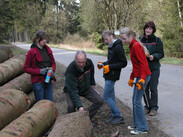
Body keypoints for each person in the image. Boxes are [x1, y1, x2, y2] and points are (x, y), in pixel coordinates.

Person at [120, 27, 151, 135]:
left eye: (124, 39)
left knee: (137, 102)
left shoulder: (136, 46)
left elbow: (143, 64)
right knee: (134, 100)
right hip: (139, 75)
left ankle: (142, 127)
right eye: (122, 39)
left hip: (144, 76)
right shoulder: (132, 45)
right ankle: (136, 124)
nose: (123, 41)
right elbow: (136, 65)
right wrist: (132, 77)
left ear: (131, 36)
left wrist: (142, 78)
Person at [63, 50, 103, 122]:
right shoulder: (70, 70)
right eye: (79, 62)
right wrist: (79, 106)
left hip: (85, 87)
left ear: (85, 60)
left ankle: (86, 118)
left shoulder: (89, 63)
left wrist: (93, 85)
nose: (81, 64)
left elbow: (91, 75)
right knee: (71, 106)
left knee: (99, 101)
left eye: (83, 62)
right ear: (75, 60)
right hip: (71, 89)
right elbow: (73, 90)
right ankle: (72, 122)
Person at [97, 30, 127, 125]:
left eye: (106, 39)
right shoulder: (111, 47)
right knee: (111, 96)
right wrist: (103, 64)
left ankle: (118, 115)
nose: (106, 41)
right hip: (108, 74)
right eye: (105, 40)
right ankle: (114, 116)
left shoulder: (118, 47)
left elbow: (124, 63)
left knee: (105, 96)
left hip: (112, 75)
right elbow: (111, 61)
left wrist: (110, 67)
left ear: (111, 36)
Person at [24, 30, 56, 102]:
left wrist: (52, 70)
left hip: (48, 79)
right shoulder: (31, 51)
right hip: (38, 82)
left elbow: (53, 63)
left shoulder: (48, 49)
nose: (45, 41)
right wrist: (40, 71)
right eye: (43, 39)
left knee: (49, 103)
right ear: (37, 39)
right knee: (40, 104)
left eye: (46, 38)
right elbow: (26, 68)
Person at [140, 21, 164, 116]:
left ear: (153, 30)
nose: (148, 30)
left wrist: (153, 56)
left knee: (153, 89)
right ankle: (147, 106)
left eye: (150, 29)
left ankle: (154, 107)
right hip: (143, 69)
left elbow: (161, 53)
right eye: (146, 28)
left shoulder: (157, 40)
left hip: (154, 68)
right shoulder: (140, 40)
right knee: (144, 88)